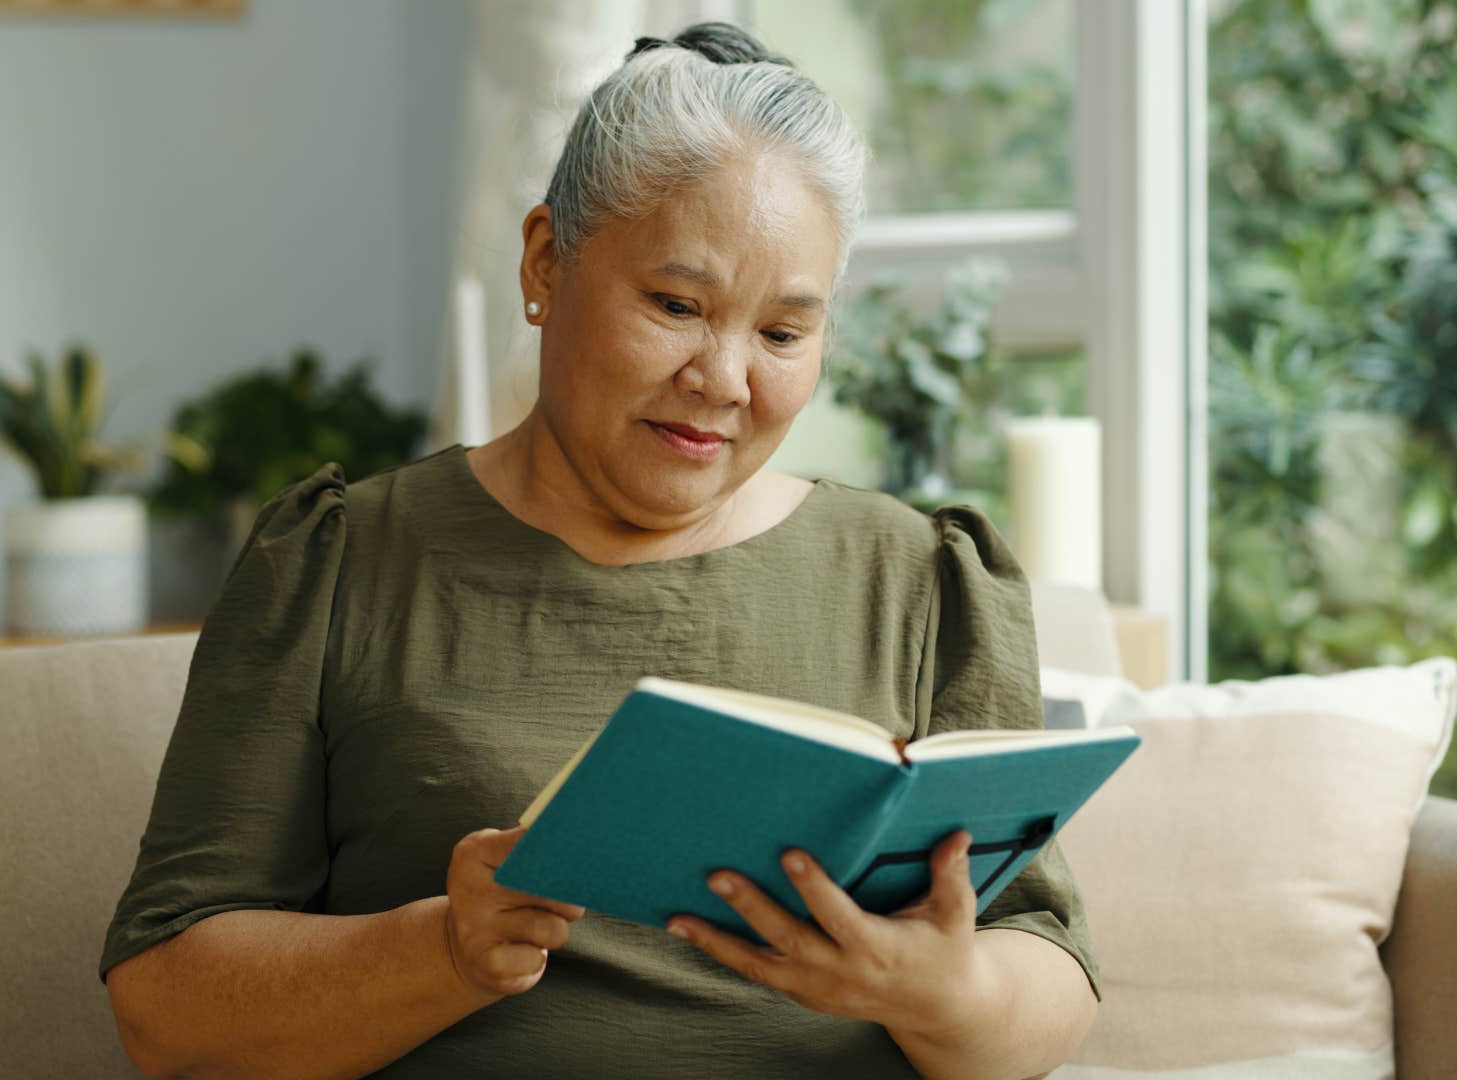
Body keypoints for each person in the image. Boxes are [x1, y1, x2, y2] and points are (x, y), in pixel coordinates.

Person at [100, 21, 1100, 1080]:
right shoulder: (340, 562)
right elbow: (166, 1011)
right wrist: (444, 951)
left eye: (782, 333)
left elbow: (1050, 976)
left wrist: (948, 996)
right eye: (677, 305)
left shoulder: (922, 581)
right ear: (546, 263)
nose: (723, 378)